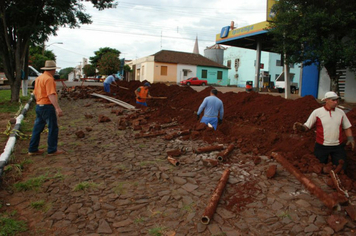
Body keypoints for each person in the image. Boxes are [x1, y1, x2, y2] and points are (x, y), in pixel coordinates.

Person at [293, 91, 355, 170]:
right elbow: (307, 126)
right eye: (333, 100)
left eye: (336, 100)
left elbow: (347, 127)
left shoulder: (341, 113)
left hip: (338, 146)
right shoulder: (317, 112)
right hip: (321, 146)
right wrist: (301, 127)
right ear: (326, 100)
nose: (335, 102)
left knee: (341, 168)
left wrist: (350, 138)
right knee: (319, 167)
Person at [28, 60, 65, 156]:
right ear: (53, 70)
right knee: (53, 128)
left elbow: (35, 93)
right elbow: (51, 94)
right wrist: (57, 108)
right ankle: (52, 150)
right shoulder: (49, 79)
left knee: (37, 128)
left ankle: (32, 149)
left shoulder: (39, 78)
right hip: (47, 106)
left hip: (39, 105)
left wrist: (39, 102)